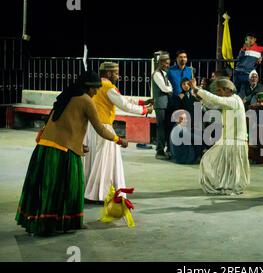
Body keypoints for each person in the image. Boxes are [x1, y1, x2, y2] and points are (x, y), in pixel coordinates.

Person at [15, 71, 128, 236]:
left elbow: (66, 123)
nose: (96, 92)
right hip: (61, 151)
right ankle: (63, 223)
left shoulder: (67, 95)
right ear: (87, 87)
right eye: (94, 89)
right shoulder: (86, 100)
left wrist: (79, 144)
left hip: (45, 148)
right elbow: (100, 129)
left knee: (47, 187)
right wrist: (119, 140)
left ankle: (46, 223)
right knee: (71, 188)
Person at [83, 62, 151, 202]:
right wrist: (145, 110)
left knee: (92, 160)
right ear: (108, 73)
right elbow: (124, 105)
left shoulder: (97, 84)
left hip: (90, 127)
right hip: (103, 127)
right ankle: (100, 195)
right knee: (106, 162)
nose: (118, 76)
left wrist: (141, 102)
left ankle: (88, 193)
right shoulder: (108, 86)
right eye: (116, 72)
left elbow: (121, 99)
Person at [189, 78, 250, 195]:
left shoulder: (234, 101)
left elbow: (215, 100)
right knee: (216, 162)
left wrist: (197, 89)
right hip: (228, 140)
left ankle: (230, 185)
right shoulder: (229, 100)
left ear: (227, 90)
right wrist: (199, 95)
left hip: (235, 141)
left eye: (219, 90)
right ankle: (225, 184)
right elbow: (212, 104)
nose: (217, 93)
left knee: (232, 168)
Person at [152, 53, 174, 159]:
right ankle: (159, 151)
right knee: (161, 127)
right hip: (160, 104)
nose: (167, 65)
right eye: (165, 63)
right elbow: (165, 88)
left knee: (165, 127)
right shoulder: (157, 74)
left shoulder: (164, 74)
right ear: (160, 62)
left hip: (165, 104)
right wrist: (170, 89)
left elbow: (168, 85)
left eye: (168, 63)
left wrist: (169, 88)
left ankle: (165, 149)